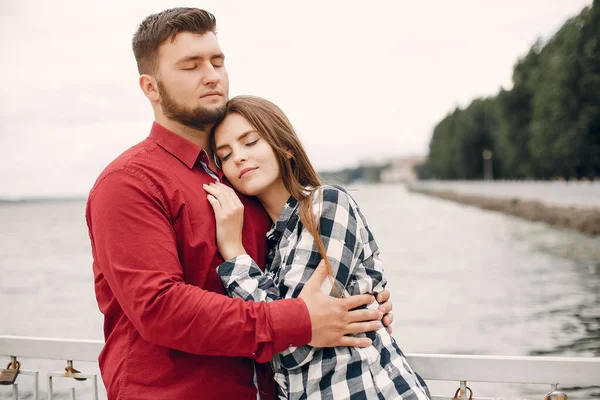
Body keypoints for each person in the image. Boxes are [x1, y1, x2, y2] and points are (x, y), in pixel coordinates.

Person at [85, 7, 394, 400]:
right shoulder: (128, 182)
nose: (212, 75)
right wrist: (301, 320)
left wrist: (364, 297)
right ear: (150, 87)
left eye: (217, 61)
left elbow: (295, 272)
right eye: (191, 65)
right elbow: (160, 307)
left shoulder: (240, 181)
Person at [203, 95, 431, 399]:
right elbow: (288, 329)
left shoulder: (326, 205)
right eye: (226, 155)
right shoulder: (269, 244)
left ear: (284, 145)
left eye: (250, 141)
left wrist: (233, 252)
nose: (239, 157)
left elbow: (294, 346)